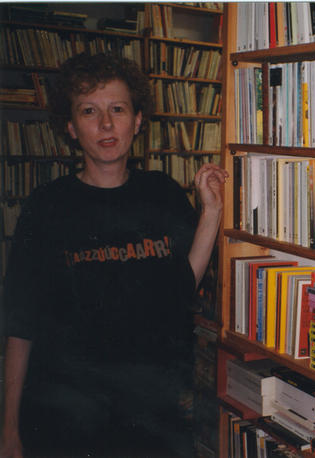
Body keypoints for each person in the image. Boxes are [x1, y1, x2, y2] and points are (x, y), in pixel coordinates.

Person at [0, 52, 227, 457]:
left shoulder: (162, 193)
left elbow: (180, 286)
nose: (106, 124)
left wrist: (211, 213)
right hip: (65, 422)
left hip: (153, 418)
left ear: (137, 121)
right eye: (89, 111)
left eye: (117, 109)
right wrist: (9, 429)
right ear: (71, 127)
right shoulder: (46, 206)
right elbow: (21, 325)